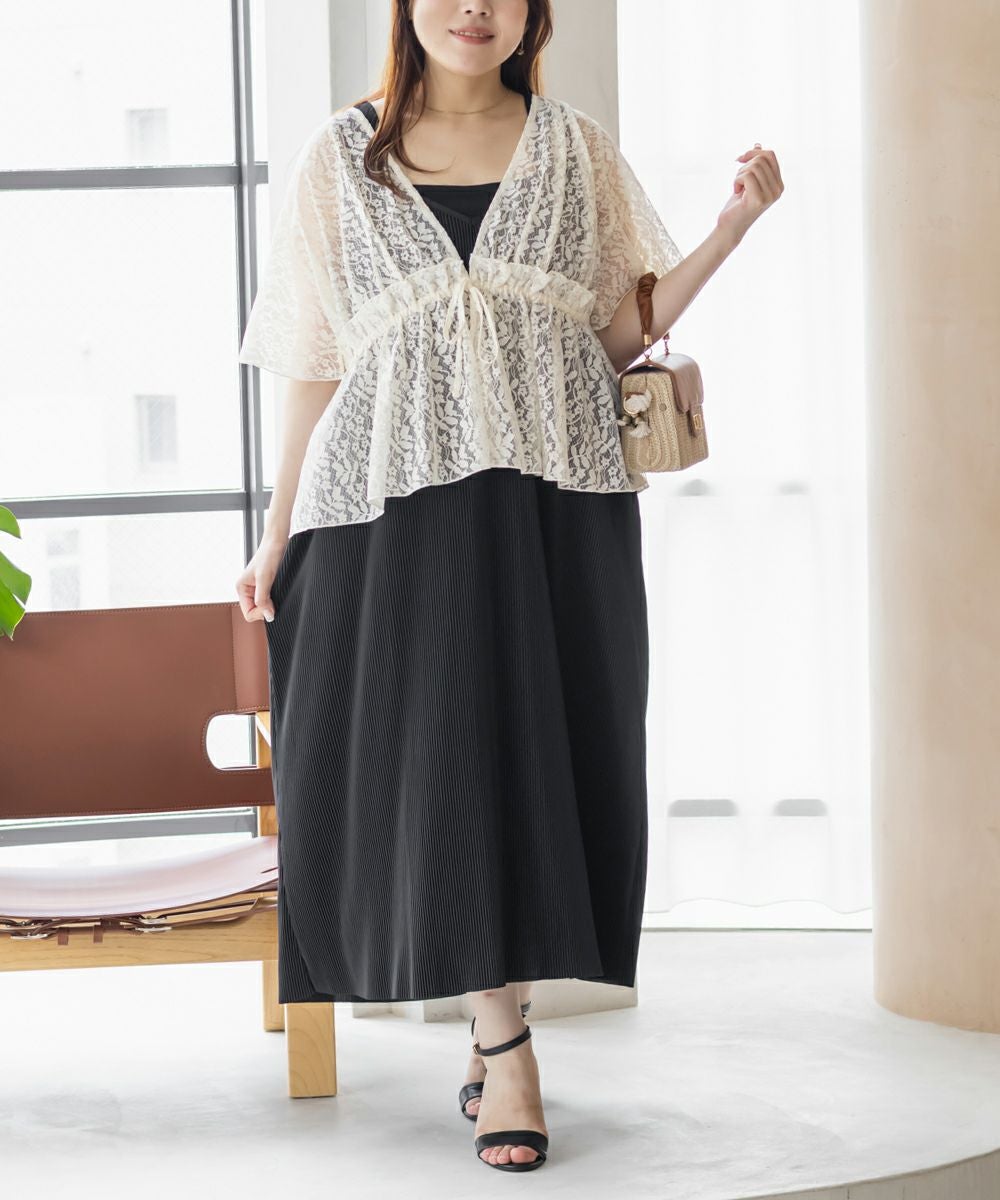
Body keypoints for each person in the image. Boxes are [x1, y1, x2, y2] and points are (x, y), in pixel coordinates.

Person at [235, 0, 783, 1174]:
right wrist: (274, 533)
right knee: (446, 764)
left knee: (544, 757)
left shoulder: (572, 149)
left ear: (533, 13)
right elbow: (315, 360)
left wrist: (730, 228)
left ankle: (497, 1027)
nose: (472, 9)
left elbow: (613, 333)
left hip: (555, 494)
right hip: (390, 503)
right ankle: (507, 1045)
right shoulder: (340, 156)